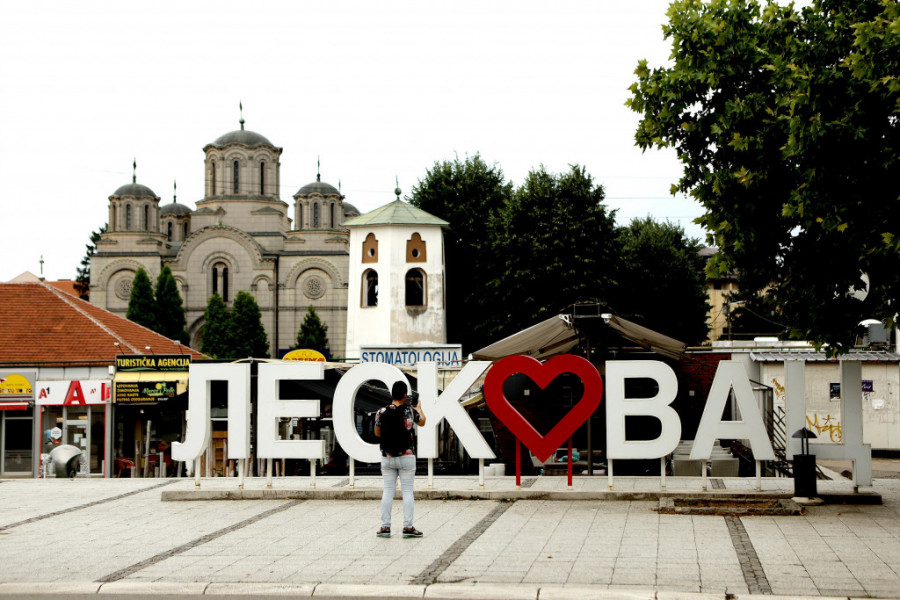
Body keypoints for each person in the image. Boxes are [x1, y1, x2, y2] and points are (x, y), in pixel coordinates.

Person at [374, 380, 425, 538]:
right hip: (407, 457)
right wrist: (419, 409)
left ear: (391, 394)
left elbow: (377, 433)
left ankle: (385, 527)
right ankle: (408, 527)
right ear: (405, 396)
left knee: (388, 491)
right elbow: (422, 422)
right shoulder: (410, 411)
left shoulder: (381, 412)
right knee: (407, 491)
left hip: (387, 457)